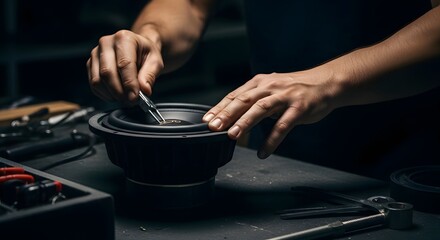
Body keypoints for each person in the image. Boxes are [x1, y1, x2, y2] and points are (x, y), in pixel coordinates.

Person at [87, 0, 440, 179]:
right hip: (279, 160)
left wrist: (330, 80)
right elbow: (190, 6)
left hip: (409, 165)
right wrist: (149, 37)